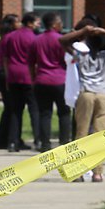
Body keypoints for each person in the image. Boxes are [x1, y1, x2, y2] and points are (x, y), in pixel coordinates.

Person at [59, 18, 105, 182]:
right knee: (100, 136)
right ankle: (97, 172)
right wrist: (104, 31)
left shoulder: (81, 55)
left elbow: (62, 40)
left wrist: (83, 31)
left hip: (86, 94)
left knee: (81, 133)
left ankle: (77, 171)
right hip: (103, 96)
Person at [28, 11, 71, 152]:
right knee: (64, 113)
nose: (61, 25)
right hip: (60, 79)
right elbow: (67, 60)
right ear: (54, 24)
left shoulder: (36, 40)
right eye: (60, 22)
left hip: (42, 80)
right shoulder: (61, 40)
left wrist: (34, 78)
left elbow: (31, 63)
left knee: (44, 113)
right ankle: (64, 142)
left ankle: (45, 144)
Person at [2, 12, 41, 152]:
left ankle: (13, 142)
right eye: (37, 22)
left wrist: (7, 77)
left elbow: (5, 59)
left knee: (15, 110)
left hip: (13, 75)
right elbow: (36, 60)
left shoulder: (10, 37)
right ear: (30, 23)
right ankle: (38, 140)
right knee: (34, 109)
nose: (39, 25)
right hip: (28, 76)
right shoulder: (35, 38)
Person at [0, 14, 21, 150]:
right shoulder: (10, 38)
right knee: (12, 108)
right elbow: (6, 60)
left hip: (3, 74)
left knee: (9, 108)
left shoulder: (5, 38)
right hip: (7, 74)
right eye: (17, 22)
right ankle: (5, 139)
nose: (20, 24)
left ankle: (6, 138)